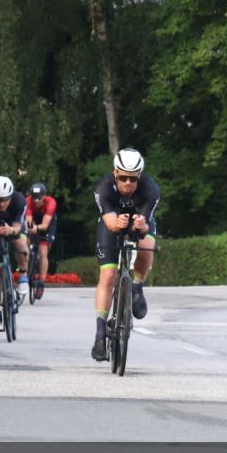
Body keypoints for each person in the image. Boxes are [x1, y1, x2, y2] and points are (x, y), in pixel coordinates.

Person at [90, 148, 160, 361]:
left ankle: (137, 287)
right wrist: (118, 222)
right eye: (123, 178)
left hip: (139, 222)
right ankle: (100, 335)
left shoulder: (151, 189)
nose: (128, 183)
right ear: (115, 173)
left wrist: (140, 225)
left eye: (133, 178)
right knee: (108, 276)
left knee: (147, 247)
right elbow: (110, 223)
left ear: (139, 176)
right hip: (111, 224)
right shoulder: (104, 188)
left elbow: (146, 226)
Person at [0, 176, 30, 331]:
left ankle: (23, 274)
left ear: (10, 196)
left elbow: (18, 226)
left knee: (20, 243)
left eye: (5, 200)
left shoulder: (19, 200)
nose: (1, 203)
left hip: (13, 227)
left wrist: (11, 230)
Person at [25, 182, 58, 300]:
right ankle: (25, 272)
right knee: (25, 244)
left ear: (44, 196)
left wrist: (37, 228)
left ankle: (41, 283)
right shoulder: (28, 201)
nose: (36, 201)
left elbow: (44, 225)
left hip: (47, 224)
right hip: (34, 220)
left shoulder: (51, 202)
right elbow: (28, 219)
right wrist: (31, 227)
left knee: (43, 252)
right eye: (34, 198)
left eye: (39, 199)